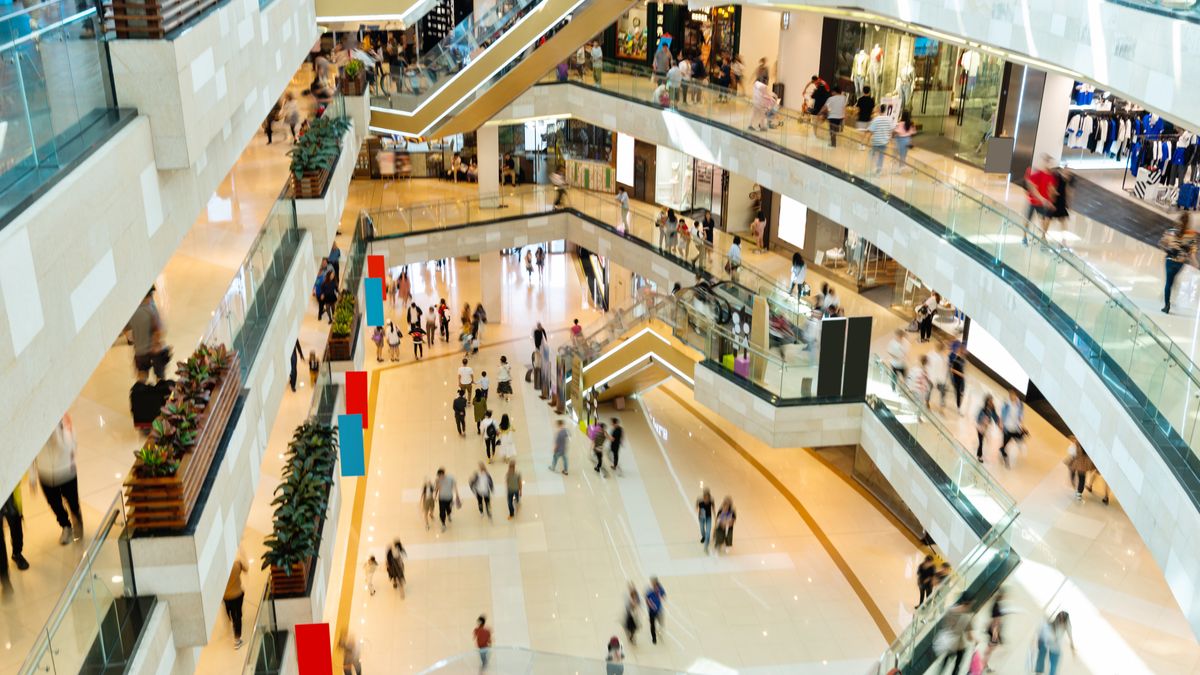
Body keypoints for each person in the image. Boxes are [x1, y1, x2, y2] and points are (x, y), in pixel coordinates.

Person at [31, 416, 83, 545]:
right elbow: (30, 455)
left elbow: (71, 447)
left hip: (66, 471)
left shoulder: (64, 423)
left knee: (72, 502)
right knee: (54, 504)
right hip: (45, 474)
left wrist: (59, 434)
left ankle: (77, 521)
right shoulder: (33, 428)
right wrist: (32, 478)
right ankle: (66, 526)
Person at [1160, 214, 1198, 314]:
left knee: (1168, 283)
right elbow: (1192, 252)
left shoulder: (1171, 232)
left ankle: (1166, 305)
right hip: (1180, 263)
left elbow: (1162, 243)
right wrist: (1195, 262)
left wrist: (1168, 247)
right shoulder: (1191, 235)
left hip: (1170, 260)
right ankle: (1172, 292)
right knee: (1173, 279)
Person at [130, 288, 169, 381]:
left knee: (142, 376)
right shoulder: (151, 309)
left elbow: (128, 332)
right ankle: (160, 394)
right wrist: (156, 344)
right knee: (160, 378)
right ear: (149, 296)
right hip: (154, 351)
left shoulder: (132, 312)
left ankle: (142, 394)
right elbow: (158, 330)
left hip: (140, 352)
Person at [934, 594, 973, 675]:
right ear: (969, 604)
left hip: (949, 644)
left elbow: (945, 625)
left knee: (945, 662)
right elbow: (969, 637)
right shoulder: (967, 617)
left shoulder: (949, 610)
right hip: (959, 646)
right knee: (956, 667)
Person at [1023, 154, 1058, 241]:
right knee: (1028, 220)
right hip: (1033, 202)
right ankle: (1024, 237)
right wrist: (1043, 199)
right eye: (1046, 161)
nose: (1047, 164)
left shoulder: (1052, 177)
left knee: (1044, 220)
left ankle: (1043, 237)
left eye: (1049, 161)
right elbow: (1032, 188)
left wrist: (1051, 201)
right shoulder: (1037, 174)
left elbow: (1051, 191)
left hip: (1042, 203)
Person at [1034, 611, 1075, 675]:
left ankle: (1042, 672)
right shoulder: (1054, 623)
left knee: (1053, 665)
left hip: (1054, 646)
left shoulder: (1066, 625)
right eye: (1060, 619)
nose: (1061, 621)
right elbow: (1043, 630)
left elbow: (1070, 635)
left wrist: (1072, 646)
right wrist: (1039, 639)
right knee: (1042, 657)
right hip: (1047, 642)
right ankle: (1038, 671)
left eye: (1062, 620)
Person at [998, 389, 1026, 467]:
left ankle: (1003, 450)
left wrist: (1021, 423)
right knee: (1005, 443)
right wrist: (1001, 423)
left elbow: (1021, 414)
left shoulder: (1020, 404)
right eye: (1010, 395)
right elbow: (1002, 413)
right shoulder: (1006, 404)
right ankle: (1003, 452)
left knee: (1020, 437)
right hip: (1007, 427)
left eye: (1013, 395)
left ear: (1016, 396)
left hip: (1015, 427)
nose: (1011, 397)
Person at [867, 105, 895, 175]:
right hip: (884, 142)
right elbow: (891, 130)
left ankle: (871, 169)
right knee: (881, 157)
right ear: (885, 110)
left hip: (876, 141)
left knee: (872, 156)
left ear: (879, 110)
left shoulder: (876, 119)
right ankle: (878, 172)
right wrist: (890, 140)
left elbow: (871, 131)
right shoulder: (889, 119)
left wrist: (867, 140)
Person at [926, 343, 950, 411]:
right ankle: (928, 402)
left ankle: (940, 403)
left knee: (940, 391)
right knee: (931, 391)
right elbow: (927, 365)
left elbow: (945, 368)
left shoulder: (945, 357)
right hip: (933, 377)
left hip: (937, 377)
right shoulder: (931, 355)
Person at [976, 395, 999, 462]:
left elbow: (995, 418)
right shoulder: (982, 409)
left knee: (984, 441)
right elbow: (978, 419)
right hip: (980, 427)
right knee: (981, 442)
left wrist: (999, 423)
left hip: (986, 428)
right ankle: (979, 456)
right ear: (987, 402)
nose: (991, 402)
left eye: (992, 401)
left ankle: (979, 454)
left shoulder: (992, 410)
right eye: (990, 401)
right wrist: (983, 420)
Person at [644, 577, 666, 644]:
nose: (656, 588)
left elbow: (664, 596)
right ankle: (654, 638)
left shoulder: (660, 589)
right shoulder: (649, 591)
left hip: (659, 610)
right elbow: (646, 599)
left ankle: (660, 630)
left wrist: (661, 597)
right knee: (652, 624)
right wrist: (650, 605)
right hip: (652, 611)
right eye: (654, 586)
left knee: (661, 622)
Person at [949, 341, 968, 413]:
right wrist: (960, 374)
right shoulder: (956, 359)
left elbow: (963, 367)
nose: (965, 351)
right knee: (958, 393)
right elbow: (952, 370)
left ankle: (960, 406)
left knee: (962, 392)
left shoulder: (963, 359)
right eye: (964, 350)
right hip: (956, 379)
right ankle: (959, 408)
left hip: (962, 379)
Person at [696, 488, 715, 553]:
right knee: (702, 529)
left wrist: (715, 515)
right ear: (703, 497)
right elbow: (697, 505)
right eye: (705, 498)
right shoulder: (699, 500)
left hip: (708, 517)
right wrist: (697, 510)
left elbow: (713, 507)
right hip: (701, 517)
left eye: (708, 498)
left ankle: (706, 544)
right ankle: (703, 537)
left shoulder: (711, 500)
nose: (706, 500)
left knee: (708, 531)